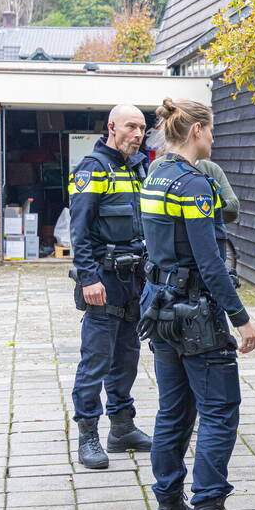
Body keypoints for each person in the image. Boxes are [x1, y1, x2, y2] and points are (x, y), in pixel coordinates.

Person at [138, 97, 255, 510]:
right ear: (195, 132)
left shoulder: (155, 176)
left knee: (174, 410)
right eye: (211, 130)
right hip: (198, 317)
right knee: (219, 412)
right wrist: (241, 319)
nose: (214, 138)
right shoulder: (192, 185)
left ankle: (170, 506)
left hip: (160, 309)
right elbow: (211, 265)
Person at [68, 104, 153, 470]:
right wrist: (88, 277)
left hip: (133, 279)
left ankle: (121, 428)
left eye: (142, 128)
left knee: (127, 357)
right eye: (131, 127)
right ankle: (88, 434)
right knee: (96, 360)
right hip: (102, 280)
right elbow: (79, 230)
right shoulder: (92, 169)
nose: (137, 134)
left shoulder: (137, 168)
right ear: (111, 128)